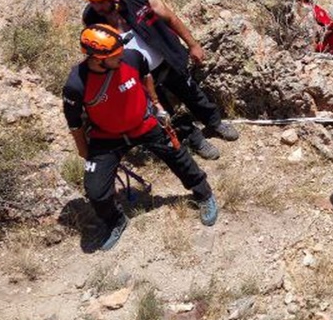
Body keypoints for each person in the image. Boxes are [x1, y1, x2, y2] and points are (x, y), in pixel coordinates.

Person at [63, 25, 219, 251]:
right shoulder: (76, 84)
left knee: (178, 156)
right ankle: (116, 220)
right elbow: (74, 122)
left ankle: (204, 194)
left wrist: (156, 104)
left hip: (144, 124)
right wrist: (83, 150)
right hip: (107, 137)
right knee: (96, 191)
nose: (121, 56)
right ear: (97, 59)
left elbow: (146, 76)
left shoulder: (132, 57)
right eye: (114, 55)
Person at [80, 0, 238, 161]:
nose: (97, 7)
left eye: (100, 2)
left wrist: (193, 45)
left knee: (193, 94)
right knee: (165, 112)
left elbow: (171, 18)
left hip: (168, 60)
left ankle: (215, 123)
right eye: (93, 2)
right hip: (141, 77)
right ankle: (195, 140)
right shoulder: (92, 19)